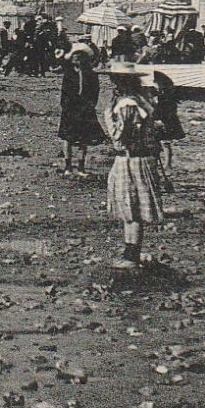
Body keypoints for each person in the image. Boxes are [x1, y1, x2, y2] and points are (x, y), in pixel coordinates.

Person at [104, 62, 167, 269]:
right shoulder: (140, 100)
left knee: (132, 205)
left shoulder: (127, 104)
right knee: (131, 206)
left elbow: (123, 134)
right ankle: (130, 250)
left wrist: (110, 123)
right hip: (137, 156)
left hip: (133, 158)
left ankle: (132, 254)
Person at [59, 42, 107, 171]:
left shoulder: (91, 74)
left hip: (85, 109)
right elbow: (64, 92)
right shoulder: (69, 74)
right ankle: (67, 166)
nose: (77, 57)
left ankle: (81, 166)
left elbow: (94, 91)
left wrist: (91, 105)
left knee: (84, 138)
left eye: (81, 55)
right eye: (75, 55)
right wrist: (66, 106)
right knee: (67, 137)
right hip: (70, 108)